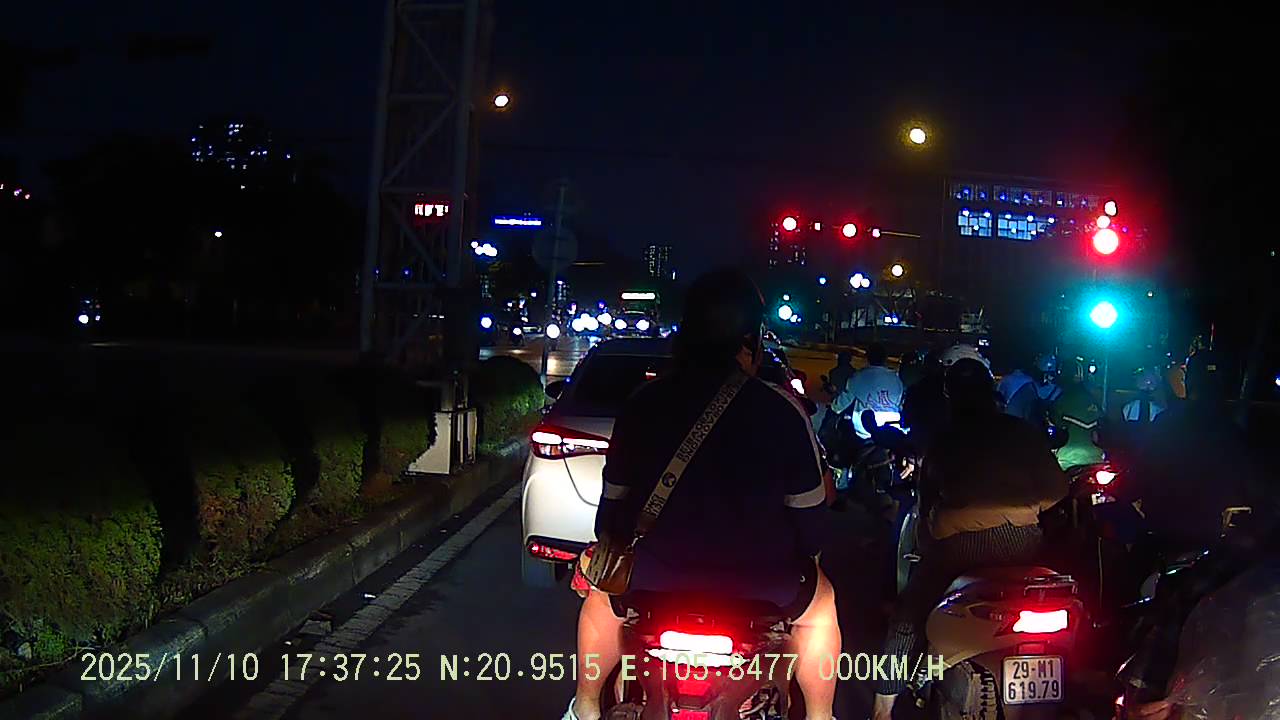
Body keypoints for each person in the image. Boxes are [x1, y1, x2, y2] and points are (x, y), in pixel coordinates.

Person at [564, 270, 841, 720]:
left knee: (600, 598)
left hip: (651, 575)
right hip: (764, 582)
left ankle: (586, 708)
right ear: (750, 341)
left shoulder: (643, 404)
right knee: (822, 605)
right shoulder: (782, 411)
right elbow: (813, 531)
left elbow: (610, 517)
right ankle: (820, 716)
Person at [872, 357, 1068, 720]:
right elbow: (1057, 490)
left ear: (951, 396)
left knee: (908, 617)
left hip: (958, 548)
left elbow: (926, 504)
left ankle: (882, 708)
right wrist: (1021, 508)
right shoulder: (1022, 432)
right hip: (1023, 544)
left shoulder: (945, 440)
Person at [833, 342, 904, 439]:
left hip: (864, 430)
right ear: (885, 359)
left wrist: (834, 409)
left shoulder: (858, 377)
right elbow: (900, 402)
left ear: (867, 358)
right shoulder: (895, 378)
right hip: (892, 427)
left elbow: (842, 402)